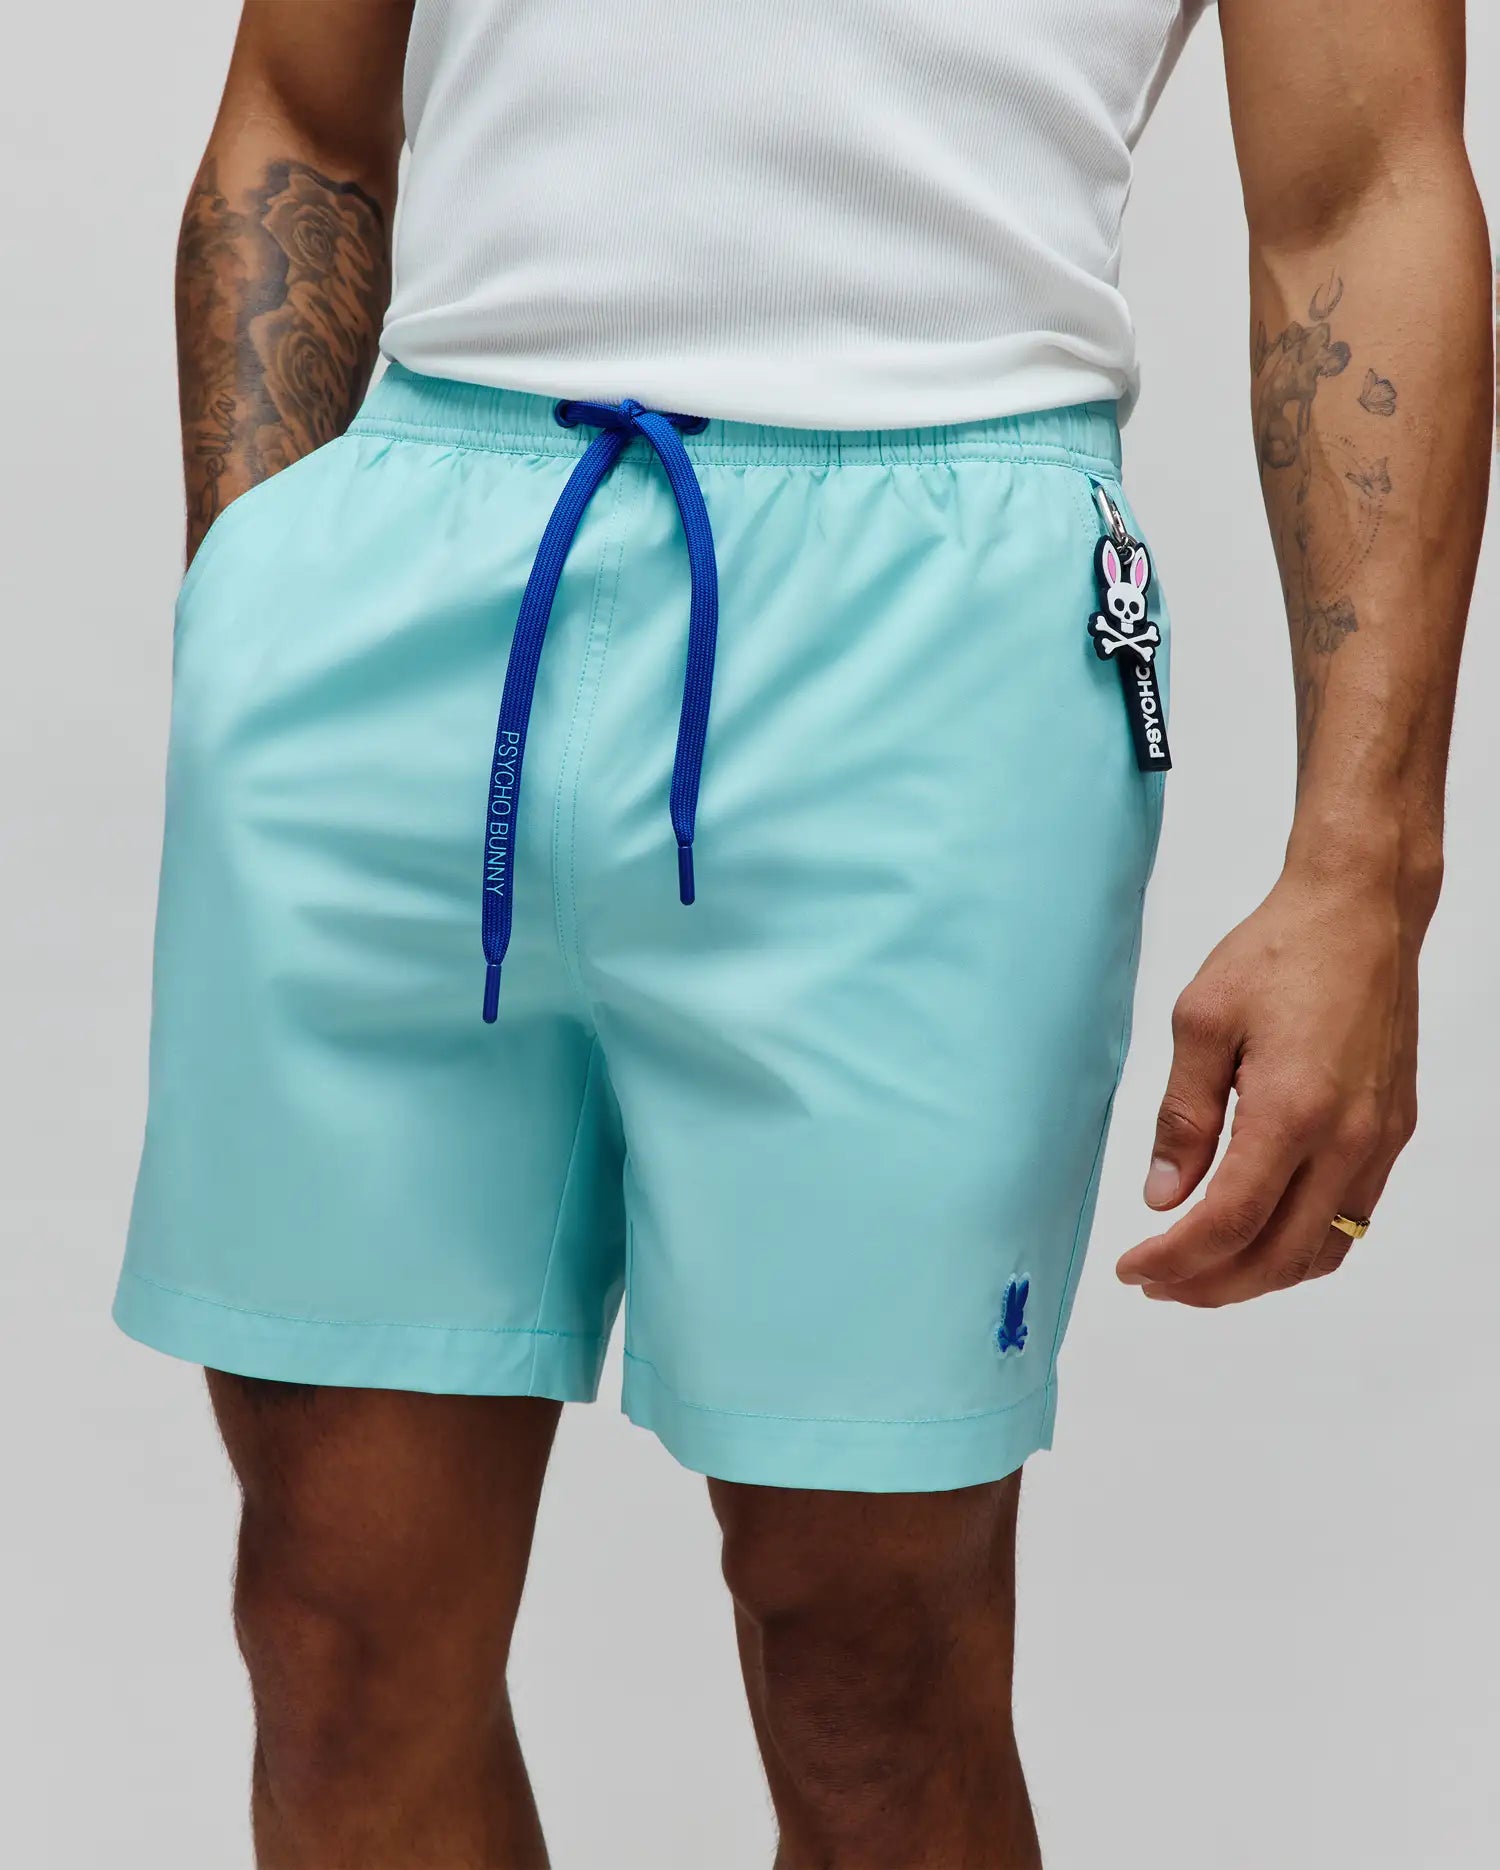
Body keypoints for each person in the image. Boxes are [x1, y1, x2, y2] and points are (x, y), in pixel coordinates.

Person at [114, 1, 1490, 1864]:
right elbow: (299, 109)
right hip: (406, 585)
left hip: (929, 625)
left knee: (873, 1667)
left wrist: (1367, 871)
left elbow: (1365, 190)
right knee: (331, 1636)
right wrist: (248, 619)